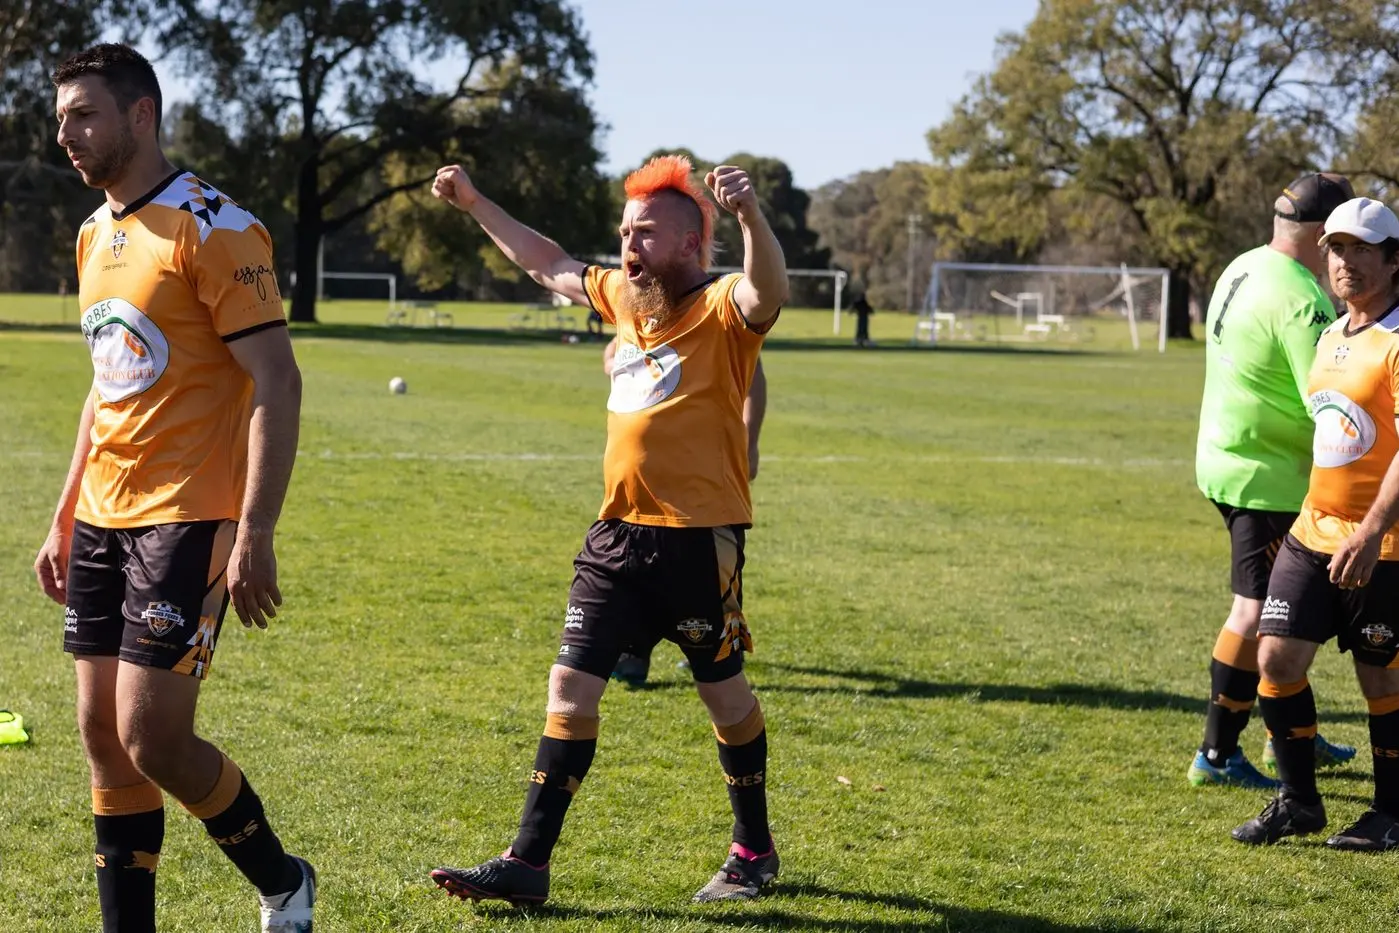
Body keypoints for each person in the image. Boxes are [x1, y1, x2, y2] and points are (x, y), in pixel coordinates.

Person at [428, 153, 787, 904]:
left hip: (699, 539)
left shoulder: (724, 307)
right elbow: (548, 263)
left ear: (692, 243)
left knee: (722, 695)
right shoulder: (627, 299)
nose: (630, 246)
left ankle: (751, 849)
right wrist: (475, 202)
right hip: (615, 537)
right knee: (569, 684)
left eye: (647, 234)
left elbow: (767, 289)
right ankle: (526, 863)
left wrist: (751, 216)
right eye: (626, 231)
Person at [34, 44, 314, 932]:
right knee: (101, 738)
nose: (67, 135)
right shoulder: (92, 234)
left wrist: (257, 529)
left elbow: (277, 378)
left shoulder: (216, 226)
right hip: (103, 513)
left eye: (84, 115)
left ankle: (283, 880)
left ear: (141, 115)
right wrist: (64, 511)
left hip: (191, 514)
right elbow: (105, 384)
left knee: (153, 737)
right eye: (60, 119)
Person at [1232, 197, 1399, 850]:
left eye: (1361, 249)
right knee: (1275, 655)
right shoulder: (1331, 334)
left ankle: (1389, 813)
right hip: (1312, 530)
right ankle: (1298, 800)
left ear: (1392, 259)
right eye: (1334, 248)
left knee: (1379, 676)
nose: (1344, 262)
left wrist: (1371, 528)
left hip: (1380, 541)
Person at [1189, 173, 1358, 790]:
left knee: (1290, 609)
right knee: (1261, 609)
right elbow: (1332, 394)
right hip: (1267, 477)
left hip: (1228, 457)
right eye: (1344, 239)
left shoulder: (1244, 264)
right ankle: (1216, 753)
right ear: (1323, 236)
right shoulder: (1300, 300)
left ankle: (1288, 735)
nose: (1349, 254)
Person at [603, 337, 769, 686]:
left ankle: (716, 649)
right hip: (646, 474)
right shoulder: (642, 309)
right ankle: (635, 652)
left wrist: (749, 440)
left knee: (708, 560)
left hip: (704, 474)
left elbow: (754, 375)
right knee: (638, 561)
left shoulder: (717, 313)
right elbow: (612, 355)